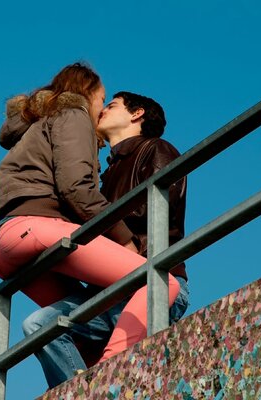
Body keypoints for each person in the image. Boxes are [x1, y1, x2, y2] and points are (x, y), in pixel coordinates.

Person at [0, 63, 181, 365]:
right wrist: (124, 240)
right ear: (86, 92)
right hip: (37, 230)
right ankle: (112, 374)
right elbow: (77, 189)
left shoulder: (41, 127)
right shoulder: (73, 114)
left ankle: (87, 382)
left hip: (4, 243)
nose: (101, 109)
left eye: (109, 103)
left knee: (57, 326)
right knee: (161, 280)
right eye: (102, 99)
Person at [22, 91, 189, 388]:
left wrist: (95, 213)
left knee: (112, 364)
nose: (102, 111)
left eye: (112, 106)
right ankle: (81, 391)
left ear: (137, 114)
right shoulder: (105, 172)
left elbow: (160, 205)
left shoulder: (156, 149)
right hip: (109, 292)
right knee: (38, 325)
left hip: (155, 279)